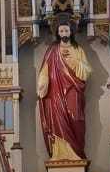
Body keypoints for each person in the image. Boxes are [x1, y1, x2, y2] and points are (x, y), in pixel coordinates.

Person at [37, 13, 91, 161]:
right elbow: (45, 69)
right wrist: (43, 83)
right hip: (55, 92)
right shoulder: (52, 49)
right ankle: (59, 154)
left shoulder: (78, 49)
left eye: (66, 30)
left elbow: (86, 71)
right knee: (57, 120)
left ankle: (76, 153)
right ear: (58, 33)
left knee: (75, 117)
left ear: (71, 32)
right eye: (61, 31)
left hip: (73, 90)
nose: (64, 33)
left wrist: (74, 61)